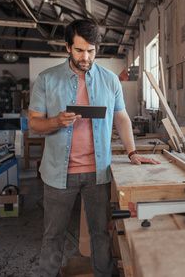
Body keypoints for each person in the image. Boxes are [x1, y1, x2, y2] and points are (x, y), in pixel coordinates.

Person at [28, 19, 160, 277]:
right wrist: (56, 121)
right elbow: (33, 123)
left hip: (98, 172)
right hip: (58, 173)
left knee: (100, 232)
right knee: (53, 235)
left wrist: (132, 152)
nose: (86, 57)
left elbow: (121, 117)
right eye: (79, 50)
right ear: (67, 47)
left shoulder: (110, 80)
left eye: (91, 50)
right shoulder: (46, 79)